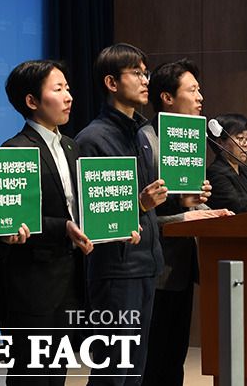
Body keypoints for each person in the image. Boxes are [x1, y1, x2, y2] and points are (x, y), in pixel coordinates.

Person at [0, 60, 97, 385]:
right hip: (31, 284)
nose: (69, 96)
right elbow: (14, 218)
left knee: (57, 375)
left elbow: (82, 207)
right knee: (31, 376)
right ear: (31, 101)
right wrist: (62, 228)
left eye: (67, 88)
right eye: (58, 89)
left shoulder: (71, 145)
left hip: (70, 280)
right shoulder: (14, 149)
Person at [75, 43, 167, 385]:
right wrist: (139, 205)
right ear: (112, 83)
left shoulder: (141, 134)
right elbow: (91, 211)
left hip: (146, 264)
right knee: (112, 374)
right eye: (137, 73)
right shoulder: (92, 139)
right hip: (114, 270)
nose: (146, 80)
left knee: (134, 373)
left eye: (146, 73)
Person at [142, 59, 231, 386]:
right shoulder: (146, 141)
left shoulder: (190, 140)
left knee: (174, 361)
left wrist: (196, 201)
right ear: (167, 97)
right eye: (192, 90)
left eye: (199, 90)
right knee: (151, 363)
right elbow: (140, 211)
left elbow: (182, 202)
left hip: (181, 266)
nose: (200, 97)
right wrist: (186, 212)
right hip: (151, 269)